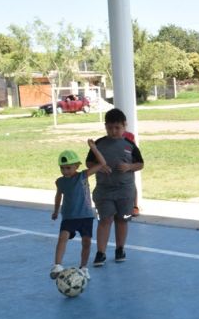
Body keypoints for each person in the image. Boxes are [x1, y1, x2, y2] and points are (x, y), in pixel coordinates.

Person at [86, 108, 144, 267]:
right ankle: (101, 253)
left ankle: (120, 249)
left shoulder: (129, 145)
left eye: (117, 128)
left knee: (122, 220)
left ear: (124, 126)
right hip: (104, 191)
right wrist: (99, 166)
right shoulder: (99, 144)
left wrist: (129, 166)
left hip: (125, 191)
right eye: (110, 128)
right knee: (105, 220)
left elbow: (140, 164)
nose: (113, 131)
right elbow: (89, 163)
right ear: (105, 126)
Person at [50, 140, 107, 279]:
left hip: (85, 216)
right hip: (68, 217)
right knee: (62, 238)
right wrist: (56, 211)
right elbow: (58, 196)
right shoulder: (60, 181)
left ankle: (83, 267)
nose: (65, 171)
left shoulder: (83, 176)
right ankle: (57, 265)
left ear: (76, 166)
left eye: (68, 168)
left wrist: (94, 148)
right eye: (62, 168)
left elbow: (102, 164)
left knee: (86, 242)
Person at [122, 130, 141, 217]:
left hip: (128, 164)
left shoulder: (129, 136)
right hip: (117, 166)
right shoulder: (109, 138)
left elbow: (134, 150)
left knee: (132, 185)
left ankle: (134, 206)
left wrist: (131, 165)